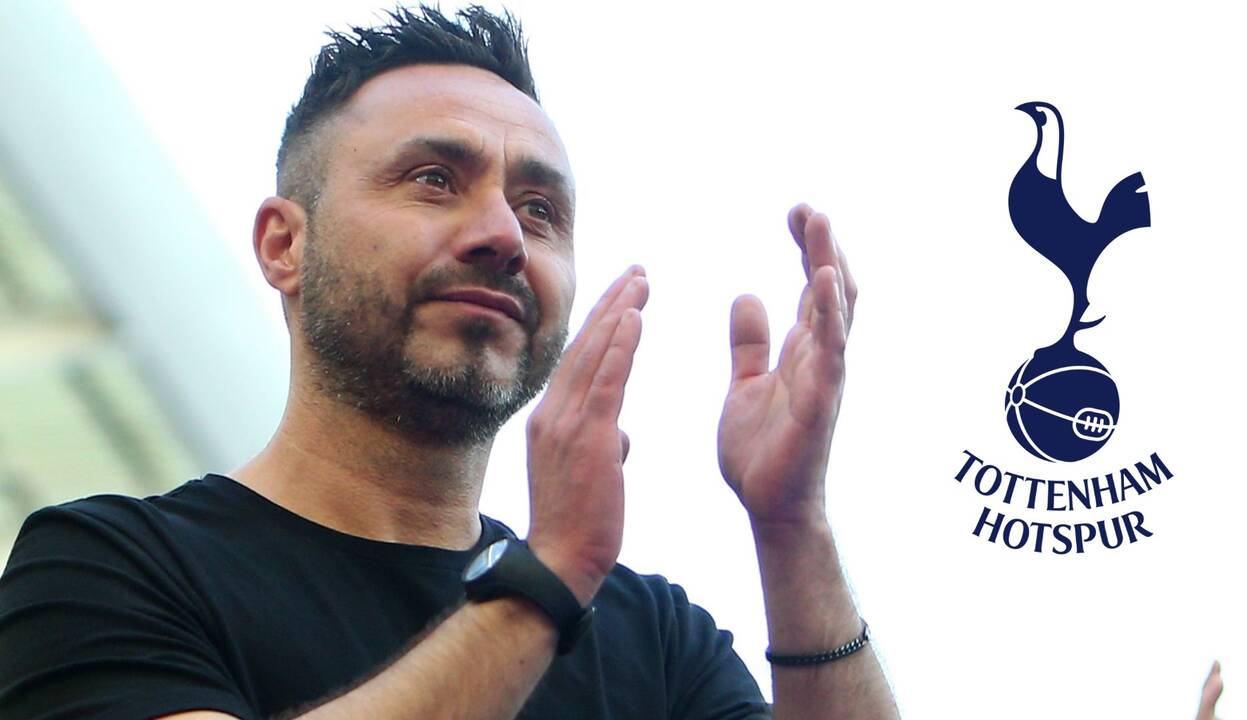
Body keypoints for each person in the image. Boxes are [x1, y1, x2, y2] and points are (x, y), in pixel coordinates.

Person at [0, 5, 898, 719]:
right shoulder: (106, 570)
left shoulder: (655, 643)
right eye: (434, 179)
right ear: (284, 244)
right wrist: (546, 581)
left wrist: (794, 530)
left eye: (541, 209)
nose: (504, 234)